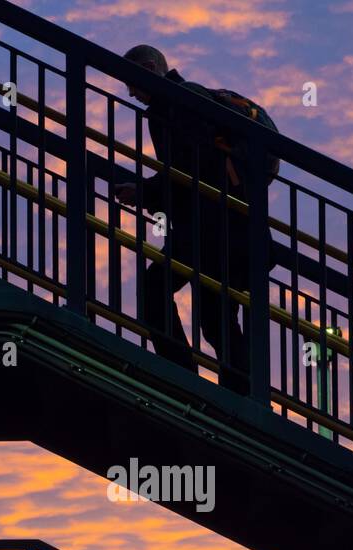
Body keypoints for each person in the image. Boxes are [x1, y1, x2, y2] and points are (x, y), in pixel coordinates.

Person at [112, 44, 254, 396]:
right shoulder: (183, 101)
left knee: (154, 289)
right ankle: (241, 399)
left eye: (132, 83)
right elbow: (187, 168)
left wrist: (145, 192)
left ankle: (183, 380)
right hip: (230, 226)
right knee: (215, 317)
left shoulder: (175, 104)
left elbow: (188, 167)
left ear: (149, 68)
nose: (131, 93)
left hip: (209, 227)